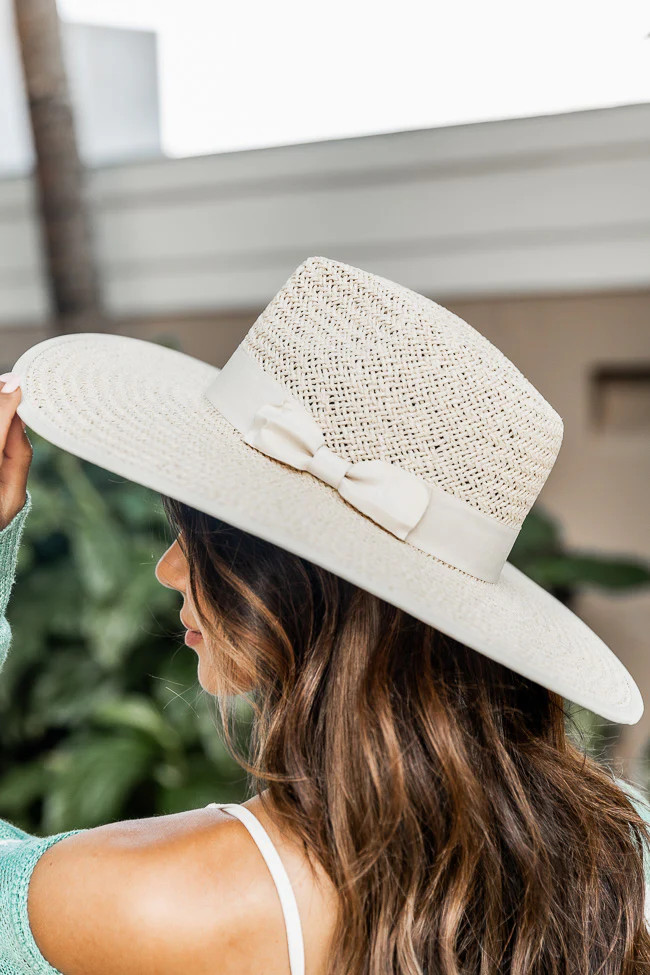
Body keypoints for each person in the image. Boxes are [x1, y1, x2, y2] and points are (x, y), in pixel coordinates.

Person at [0, 255, 649, 975]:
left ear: (291, 584)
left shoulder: (153, 900)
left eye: (201, 529)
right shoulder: (619, 845)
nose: (168, 567)